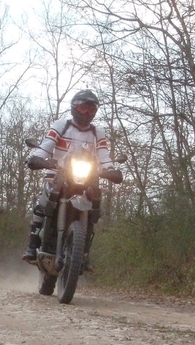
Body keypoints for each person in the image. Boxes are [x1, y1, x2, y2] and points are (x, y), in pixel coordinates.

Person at [22, 89, 122, 266]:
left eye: (91, 110)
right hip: (58, 173)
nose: (86, 113)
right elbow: (46, 146)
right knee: (42, 203)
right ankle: (32, 245)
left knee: (95, 203)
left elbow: (104, 155)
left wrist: (110, 169)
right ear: (74, 107)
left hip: (87, 176)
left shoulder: (98, 132)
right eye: (83, 108)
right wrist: (38, 158)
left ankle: (84, 252)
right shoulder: (61, 125)